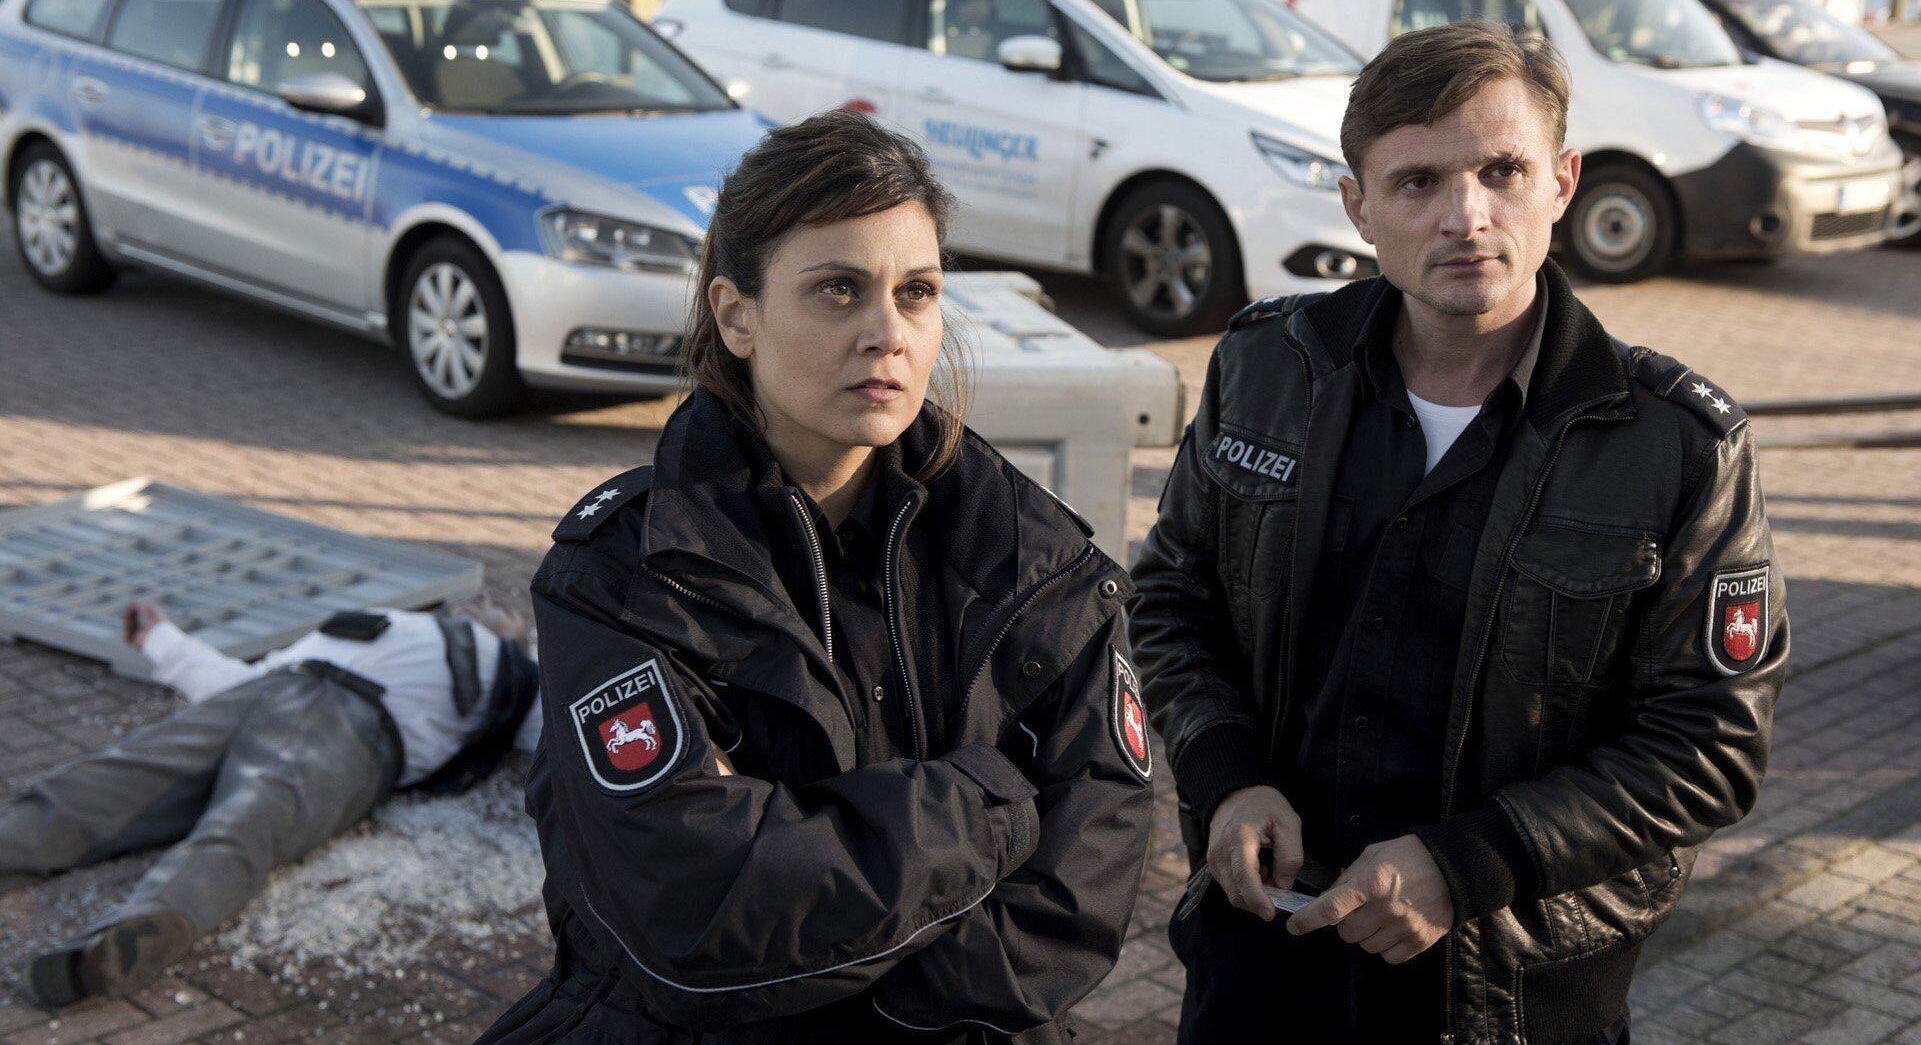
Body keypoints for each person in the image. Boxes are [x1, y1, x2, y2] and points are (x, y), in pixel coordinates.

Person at [1132, 21, 1787, 1044]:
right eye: (1417, 181)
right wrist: (1225, 773)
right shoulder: (1263, 370)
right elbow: (1174, 596)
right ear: (1357, 206)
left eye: (1501, 171)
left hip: (1504, 993)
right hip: (1262, 960)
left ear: (1562, 182)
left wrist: (1470, 861)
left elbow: (1709, 741)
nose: (1466, 216)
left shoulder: (1677, 445)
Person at [476, 111, 1153, 1045]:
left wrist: (879, 1000)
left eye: (916, 292)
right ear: (736, 314)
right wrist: (990, 803)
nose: (886, 333)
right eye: (838, 289)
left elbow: (1080, 891)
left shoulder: (1036, 560)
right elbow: (696, 902)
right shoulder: (623, 576)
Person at [0, 594, 541, 1008]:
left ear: (516, 637)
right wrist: (158, 636)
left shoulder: (514, 671)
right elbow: (232, 678)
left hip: (354, 727)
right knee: (112, 780)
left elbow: (564, 723)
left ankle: (133, 936)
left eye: (503, 609)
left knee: (251, 819)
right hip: (261, 693)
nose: (483, 601)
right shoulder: (379, 622)